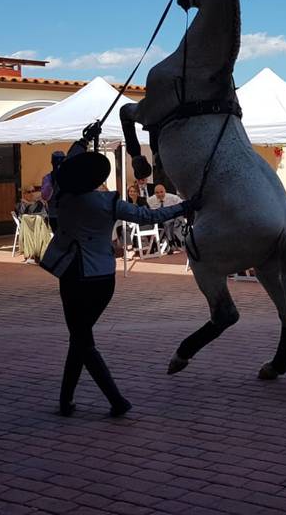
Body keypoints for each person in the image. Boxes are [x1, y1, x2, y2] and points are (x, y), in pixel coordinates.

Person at [40, 139, 192, 418]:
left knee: (81, 340)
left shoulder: (62, 196)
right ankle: (66, 400)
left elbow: (62, 167)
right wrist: (183, 207)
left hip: (72, 274)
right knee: (80, 338)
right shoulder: (107, 202)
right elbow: (149, 215)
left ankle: (115, 400)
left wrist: (80, 143)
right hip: (101, 277)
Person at [148, 184, 185, 252]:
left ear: (165, 191)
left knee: (178, 219)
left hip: (174, 218)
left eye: (161, 192)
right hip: (159, 220)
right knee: (167, 222)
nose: (159, 194)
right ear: (154, 193)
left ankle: (177, 240)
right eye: (157, 193)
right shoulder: (150, 200)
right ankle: (172, 242)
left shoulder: (173, 198)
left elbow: (182, 205)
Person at [41, 150, 67, 232]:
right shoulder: (48, 178)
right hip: (54, 215)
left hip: (68, 214)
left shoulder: (69, 177)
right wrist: (52, 182)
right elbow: (45, 197)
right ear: (52, 163)